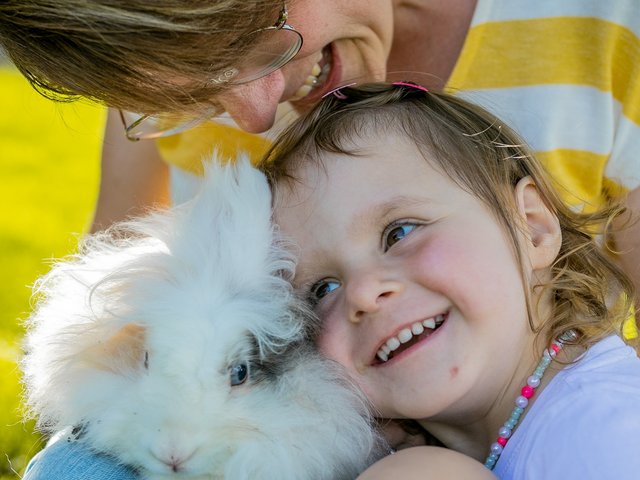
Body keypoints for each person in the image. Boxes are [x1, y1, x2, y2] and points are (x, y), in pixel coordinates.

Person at [1, 2, 639, 309]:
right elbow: (104, 304)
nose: (254, 117)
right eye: (199, 88)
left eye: (250, 40)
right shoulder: (165, 85)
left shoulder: (606, 29)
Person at [259, 83, 640, 478]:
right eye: (323, 289)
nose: (363, 294)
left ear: (532, 227)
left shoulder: (604, 428)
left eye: (400, 233)